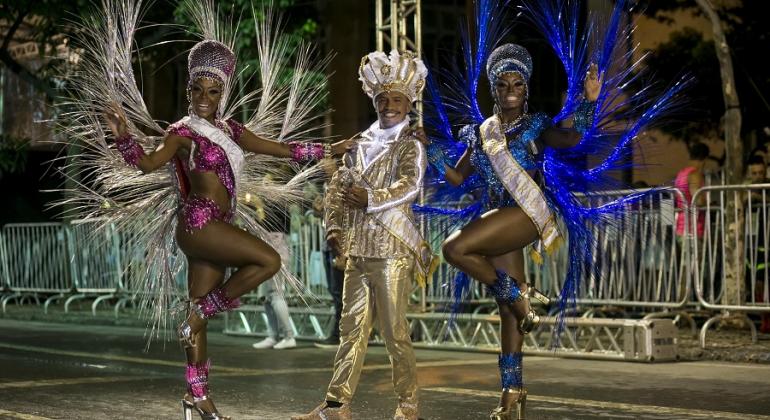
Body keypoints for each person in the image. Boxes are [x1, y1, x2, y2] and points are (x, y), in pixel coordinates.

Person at [70, 2, 353, 418]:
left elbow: (281, 149)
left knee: (195, 313)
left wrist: (329, 149)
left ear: (223, 93)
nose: (204, 98)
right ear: (188, 92)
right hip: (199, 224)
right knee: (268, 259)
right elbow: (148, 163)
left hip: (215, 228)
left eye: (213, 91)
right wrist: (122, 139)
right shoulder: (182, 133)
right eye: (197, 90)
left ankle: (197, 397)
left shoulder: (233, 131)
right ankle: (204, 311)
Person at [420, 1, 691, 418]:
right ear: (494, 89)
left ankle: (523, 294)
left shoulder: (534, 127)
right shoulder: (481, 134)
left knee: (455, 250)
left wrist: (589, 101)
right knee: (508, 315)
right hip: (497, 220)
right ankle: (512, 393)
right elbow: (457, 179)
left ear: (525, 90)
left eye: (517, 84)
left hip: (525, 215)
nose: (510, 90)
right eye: (503, 84)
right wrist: (432, 149)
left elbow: (572, 139)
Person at [293, 49, 434, 420]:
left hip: (391, 253)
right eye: (383, 98)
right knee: (350, 330)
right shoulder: (359, 143)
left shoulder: (411, 145)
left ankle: (408, 405)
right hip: (357, 251)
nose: (390, 105)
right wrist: (334, 228)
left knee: (394, 333)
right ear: (375, 101)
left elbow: (410, 186)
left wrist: (371, 197)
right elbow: (338, 188)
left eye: (398, 99)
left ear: (408, 104)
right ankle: (336, 405)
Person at [252, 231, 297, 350]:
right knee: (267, 297)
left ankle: (289, 336)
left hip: (275, 246)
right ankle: (273, 336)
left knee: (275, 295)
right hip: (270, 247)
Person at [674, 142, 709, 240]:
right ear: (705, 159)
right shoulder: (694, 175)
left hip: (680, 227)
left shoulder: (681, 174)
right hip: (693, 229)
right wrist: (707, 204)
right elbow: (697, 200)